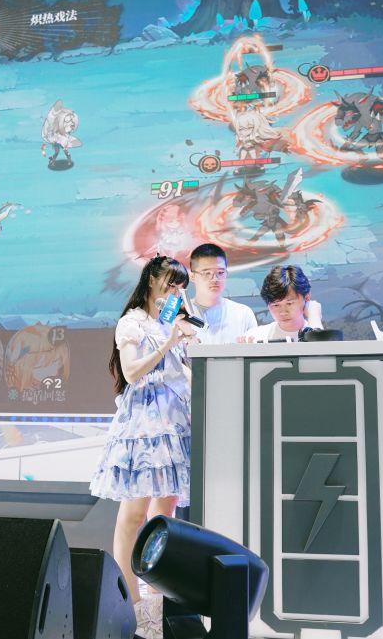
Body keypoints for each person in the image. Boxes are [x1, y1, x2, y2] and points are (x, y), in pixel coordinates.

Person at [88, 256, 198, 639]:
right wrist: (168, 342)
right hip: (144, 425)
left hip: (174, 422)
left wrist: (188, 341)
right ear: (151, 279)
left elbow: (186, 370)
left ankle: (156, 598)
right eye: (170, 282)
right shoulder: (132, 322)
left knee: (164, 516)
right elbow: (132, 372)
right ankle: (132, 604)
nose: (175, 291)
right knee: (133, 516)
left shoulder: (173, 322)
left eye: (181, 286)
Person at [188, 243, 257, 344]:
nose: (215, 279)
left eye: (220, 273)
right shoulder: (180, 315)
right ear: (192, 276)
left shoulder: (243, 314)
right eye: (207, 273)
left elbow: (255, 351)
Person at [241, 265, 323, 342]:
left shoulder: (315, 327)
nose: (283, 312)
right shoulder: (255, 337)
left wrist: (314, 316)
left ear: (307, 298)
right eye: (276, 305)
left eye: (289, 303)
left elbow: (321, 349)